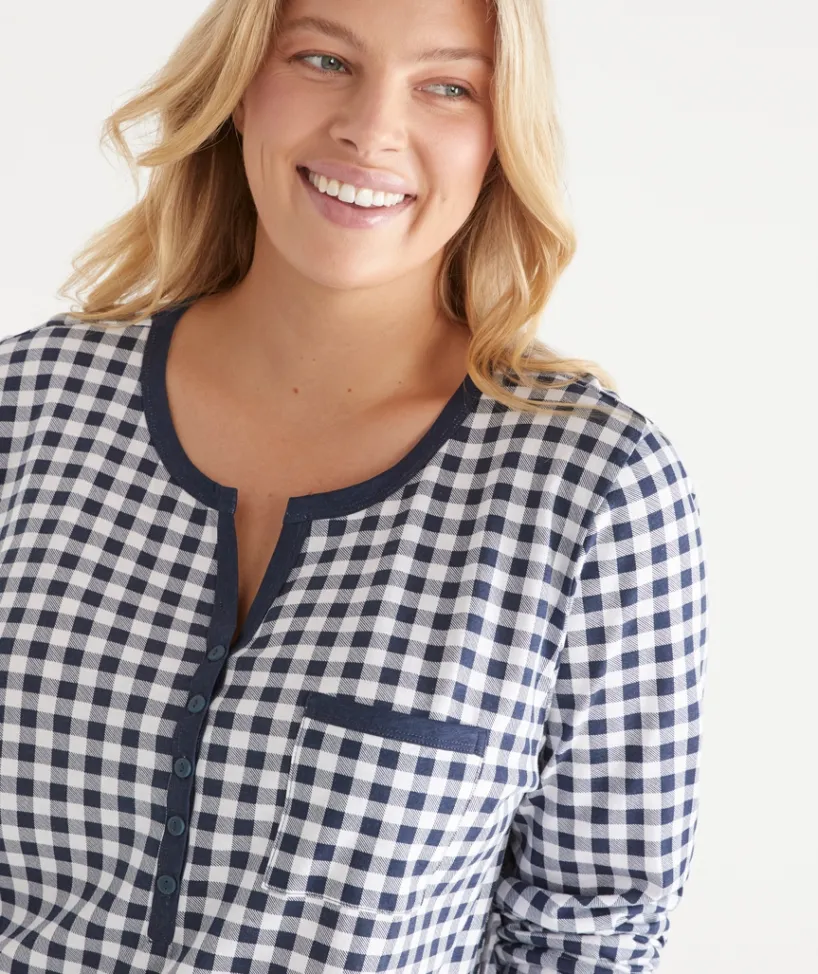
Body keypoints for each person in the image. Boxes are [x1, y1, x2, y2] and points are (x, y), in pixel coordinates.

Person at [0, 0, 708, 972]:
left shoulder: (592, 491)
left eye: (447, 86)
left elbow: (587, 934)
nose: (371, 129)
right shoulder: (28, 404)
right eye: (324, 60)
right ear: (240, 86)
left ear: (498, 142)